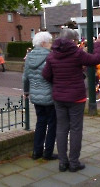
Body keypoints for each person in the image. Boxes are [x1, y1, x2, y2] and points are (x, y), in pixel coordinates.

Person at [42, 29, 100, 172]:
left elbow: (46, 75)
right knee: (76, 129)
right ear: (72, 41)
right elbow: (95, 59)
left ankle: (63, 162)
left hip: (59, 97)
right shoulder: (77, 54)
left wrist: (58, 81)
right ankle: (74, 162)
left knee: (61, 128)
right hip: (76, 97)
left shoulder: (52, 56)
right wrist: (99, 43)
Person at [23, 32, 56, 161]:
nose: (51, 44)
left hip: (35, 95)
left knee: (40, 122)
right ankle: (48, 152)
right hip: (49, 96)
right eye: (50, 41)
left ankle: (37, 151)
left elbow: (25, 77)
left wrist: (26, 92)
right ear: (43, 43)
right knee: (52, 124)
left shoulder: (29, 57)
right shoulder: (50, 56)